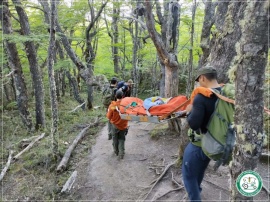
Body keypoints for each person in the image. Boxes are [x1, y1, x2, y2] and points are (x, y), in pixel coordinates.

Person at [182, 66, 221, 201]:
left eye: (199, 80)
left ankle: (194, 198)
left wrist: (188, 111)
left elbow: (194, 124)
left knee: (188, 175)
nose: (199, 83)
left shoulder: (201, 97)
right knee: (199, 170)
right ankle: (197, 191)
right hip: (217, 142)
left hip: (200, 143)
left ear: (203, 77)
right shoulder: (224, 93)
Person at [106, 90, 129, 159]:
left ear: (115, 96)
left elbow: (109, 117)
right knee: (122, 139)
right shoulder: (126, 105)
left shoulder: (112, 106)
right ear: (123, 96)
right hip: (123, 125)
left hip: (115, 126)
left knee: (115, 139)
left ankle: (116, 151)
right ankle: (121, 153)